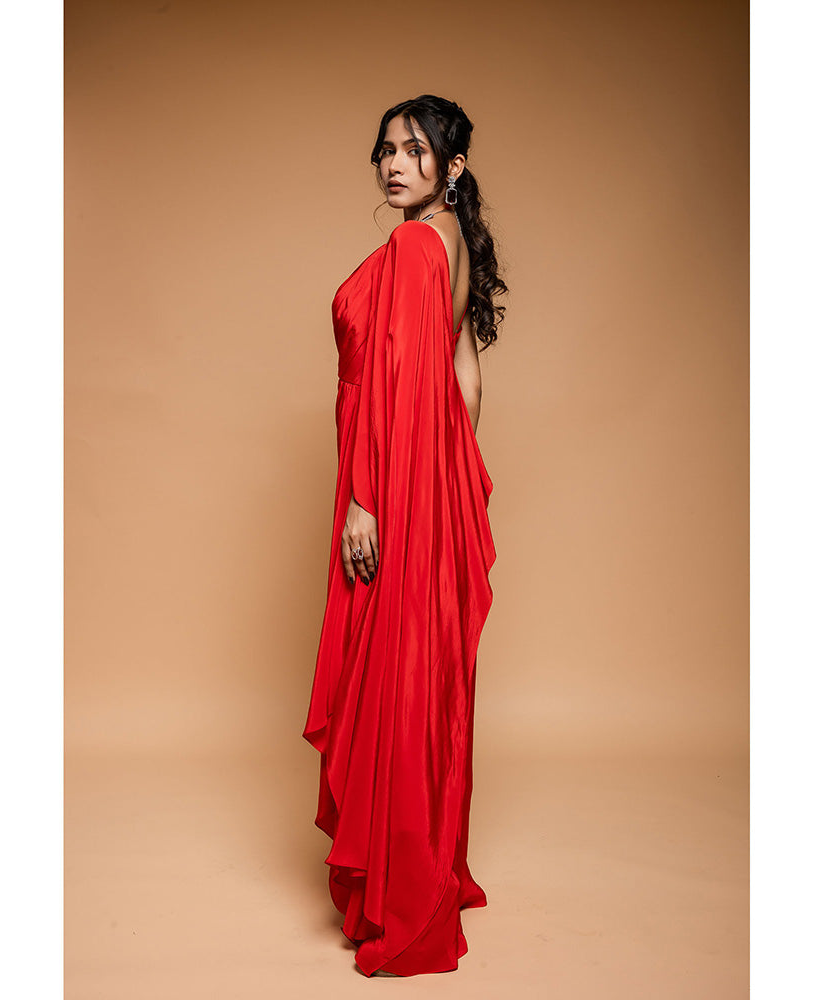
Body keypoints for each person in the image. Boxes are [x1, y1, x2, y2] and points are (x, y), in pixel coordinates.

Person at [301, 95, 508, 977]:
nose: (394, 164)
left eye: (416, 151)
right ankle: (420, 871)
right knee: (422, 676)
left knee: (393, 675)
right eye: (386, 149)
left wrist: (368, 500)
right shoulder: (452, 243)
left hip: (389, 484)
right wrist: (445, 482)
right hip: (430, 481)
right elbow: (466, 380)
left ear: (451, 168)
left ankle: (401, 899)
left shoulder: (416, 245)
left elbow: (391, 379)